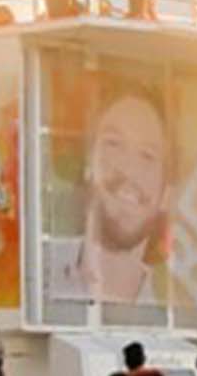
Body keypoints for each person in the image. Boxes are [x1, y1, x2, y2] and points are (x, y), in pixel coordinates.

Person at [51, 77, 170, 304]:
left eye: (147, 155)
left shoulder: (170, 316)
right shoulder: (34, 275)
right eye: (114, 143)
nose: (129, 170)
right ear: (88, 162)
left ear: (166, 195)